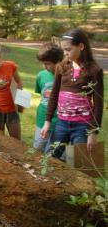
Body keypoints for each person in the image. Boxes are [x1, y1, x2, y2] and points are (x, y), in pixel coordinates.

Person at [40, 28, 104, 159]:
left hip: (82, 127)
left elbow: (98, 105)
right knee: (51, 159)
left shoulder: (94, 71)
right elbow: (54, 95)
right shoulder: (61, 67)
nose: (65, 53)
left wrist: (93, 132)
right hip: (61, 124)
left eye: (68, 50)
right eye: (64, 50)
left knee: (79, 163)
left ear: (81, 46)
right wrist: (47, 121)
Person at [33, 43, 64, 152]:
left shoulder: (66, 76)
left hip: (60, 121)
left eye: (47, 64)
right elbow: (39, 93)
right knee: (38, 147)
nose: (44, 67)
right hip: (42, 118)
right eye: (43, 63)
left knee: (55, 151)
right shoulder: (41, 75)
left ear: (59, 61)